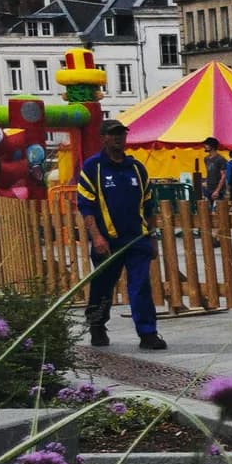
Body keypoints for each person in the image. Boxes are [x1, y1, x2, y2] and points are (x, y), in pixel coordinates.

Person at [78, 119, 166, 351]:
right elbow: (86, 207)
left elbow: (149, 206)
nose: (119, 138)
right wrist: (96, 237)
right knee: (102, 286)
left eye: (122, 134)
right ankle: (97, 325)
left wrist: (152, 238)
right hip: (107, 241)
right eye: (113, 134)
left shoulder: (137, 168)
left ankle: (148, 333)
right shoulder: (93, 167)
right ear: (103, 137)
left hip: (137, 239)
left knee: (140, 286)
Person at [201, 136, 225, 209]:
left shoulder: (220, 159)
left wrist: (217, 190)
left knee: (218, 211)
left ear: (212, 146)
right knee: (208, 211)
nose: (204, 146)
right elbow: (209, 172)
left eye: (207, 144)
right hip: (208, 188)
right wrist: (205, 181)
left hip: (218, 189)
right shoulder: (206, 159)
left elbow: (223, 176)